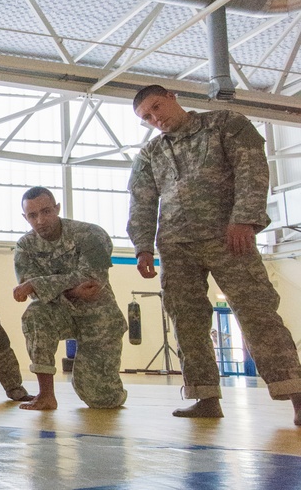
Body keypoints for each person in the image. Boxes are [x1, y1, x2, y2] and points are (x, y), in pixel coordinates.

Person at [128, 84, 301, 423]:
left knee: (257, 312)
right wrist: (143, 246)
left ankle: (296, 394)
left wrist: (244, 220)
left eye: (157, 107)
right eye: (147, 117)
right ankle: (205, 397)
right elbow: (142, 201)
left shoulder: (225, 124)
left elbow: (251, 170)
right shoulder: (151, 154)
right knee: (187, 321)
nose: (155, 119)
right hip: (176, 245)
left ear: (173, 97)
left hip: (228, 236)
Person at [12, 186, 126, 413]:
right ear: (25, 218)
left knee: (100, 398)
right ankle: (46, 396)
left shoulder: (91, 234)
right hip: (59, 312)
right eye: (32, 215)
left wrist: (39, 283)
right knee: (35, 313)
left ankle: (112, 390)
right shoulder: (25, 246)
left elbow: (93, 281)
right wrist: (70, 290)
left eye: (46, 211)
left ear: (57, 208)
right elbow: (32, 295)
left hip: (98, 314)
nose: (40, 220)